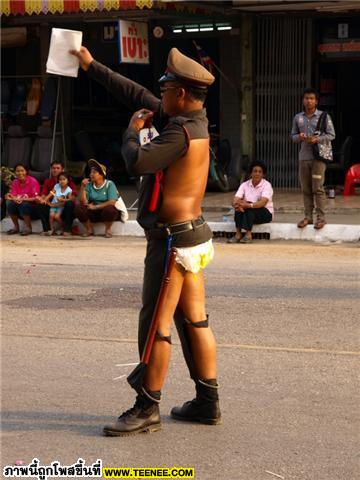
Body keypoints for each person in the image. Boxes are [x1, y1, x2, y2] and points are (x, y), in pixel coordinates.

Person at [71, 46, 220, 436]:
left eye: (166, 88)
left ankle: (146, 407)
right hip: (193, 236)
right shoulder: (195, 120)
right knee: (194, 321)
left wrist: (131, 132)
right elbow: (136, 95)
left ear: (181, 94)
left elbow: (137, 162)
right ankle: (207, 401)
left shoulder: (178, 133)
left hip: (172, 242)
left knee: (156, 323)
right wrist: (91, 64)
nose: (161, 94)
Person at [291, 87, 335, 230]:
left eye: (311, 98)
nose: (308, 101)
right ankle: (308, 217)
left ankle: (321, 218)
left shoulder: (323, 116)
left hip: (319, 158)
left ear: (316, 101)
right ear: (303, 101)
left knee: (318, 188)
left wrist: (318, 139)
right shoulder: (298, 117)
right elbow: (293, 136)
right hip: (304, 158)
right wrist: (300, 137)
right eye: (306, 98)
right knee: (306, 189)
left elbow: (331, 135)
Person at [227, 161, 273, 244]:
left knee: (249, 208)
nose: (257, 174)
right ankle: (238, 234)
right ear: (251, 173)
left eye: (260, 172)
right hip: (248, 213)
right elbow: (236, 198)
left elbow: (262, 202)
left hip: (265, 214)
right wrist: (237, 204)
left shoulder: (267, 185)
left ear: (263, 175)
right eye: (255, 171)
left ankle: (248, 235)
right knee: (238, 208)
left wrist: (248, 205)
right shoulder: (244, 185)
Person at [74, 159, 119, 238]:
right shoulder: (89, 185)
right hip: (93, 212)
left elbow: (112, 201)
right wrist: (82, 188)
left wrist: (96, 207)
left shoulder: (109, 184)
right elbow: (84, 202)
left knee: (110, 209)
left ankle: (108, 229)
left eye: (94, 172)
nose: (91, 174)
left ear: (102, 175)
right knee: (78, 208)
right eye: (91, 172)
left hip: (105, 212)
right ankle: (89, 229)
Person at [36, 161, 77, 236]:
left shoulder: (69, 183)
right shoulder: (48, 181)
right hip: (53, 206)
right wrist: (42, 199)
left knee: (70, 204)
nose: (55, 170)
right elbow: (45, 194)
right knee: (41, 205)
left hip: (65, 208)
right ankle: (47, 230)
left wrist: (63, 200)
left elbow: (73, 198)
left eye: (58, 168)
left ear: (62, 170)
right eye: (53, 168)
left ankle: (67, 229)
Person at [5, 163, 41, 236]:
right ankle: (16, 227)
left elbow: (35, 198)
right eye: (18, 171)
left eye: (22, 171)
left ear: (26, 172)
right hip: (20, 210)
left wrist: (21, 199)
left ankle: (29, 228)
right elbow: (14, 197)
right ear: (15, 172)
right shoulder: (15, 182)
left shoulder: (33, 181)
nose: (20, 173)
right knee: (10, 204)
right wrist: (10, 197)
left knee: (24, 205)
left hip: (33, 210)